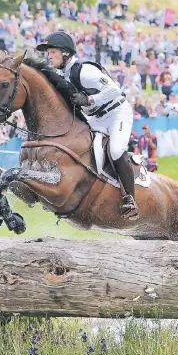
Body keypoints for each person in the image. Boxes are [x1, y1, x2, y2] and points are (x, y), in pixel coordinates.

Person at [37, 31, 138, 219]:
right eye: (48, 53)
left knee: (115, 150)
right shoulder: (62, 75)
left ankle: (130, 198)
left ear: (65, 53)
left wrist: (90, 99)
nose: (48, 57)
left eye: (52, 52)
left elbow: (114, 90)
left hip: (117, 113)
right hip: (95, 119)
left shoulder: (85, 70)